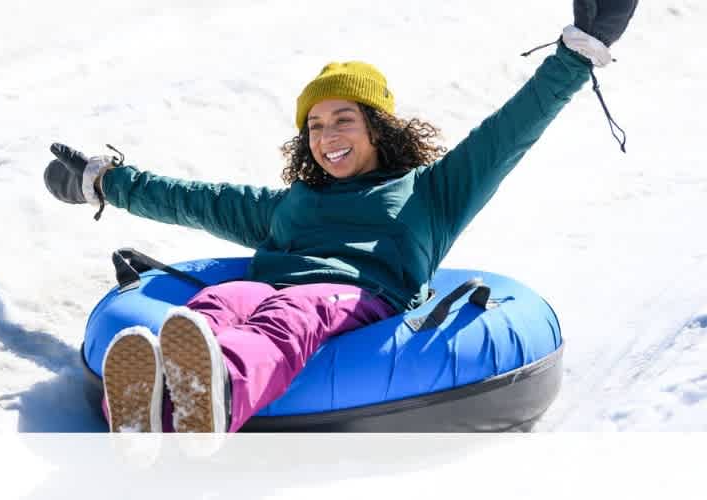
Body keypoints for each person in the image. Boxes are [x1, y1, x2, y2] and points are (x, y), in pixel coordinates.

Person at [44, 0, 638, 433]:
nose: (327, 136)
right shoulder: (292, 204)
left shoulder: (433, 192)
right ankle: (153, 407)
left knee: (289, 312)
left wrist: (578, 51)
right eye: (316, 125)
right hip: (263, 288)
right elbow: (193, 198)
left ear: (377, 127)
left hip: (352, 300)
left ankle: (216, 394)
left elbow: (511, 129)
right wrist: (102, 180)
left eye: (343, 119)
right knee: (216, 307)